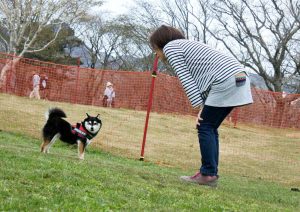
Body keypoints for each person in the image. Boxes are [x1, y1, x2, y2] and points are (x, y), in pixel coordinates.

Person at [149, 25, 253, 187]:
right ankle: (210, 172)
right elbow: (205, 80)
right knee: (209, 126)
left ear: (160, 44)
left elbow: (186, 79)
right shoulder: (188, 45)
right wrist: (203, 106)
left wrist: (199, 107)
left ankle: (208, 174)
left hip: (226, 79)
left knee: (205, 126)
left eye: (155, 48)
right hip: (239, 76)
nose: (156, 53)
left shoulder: (171, 48)